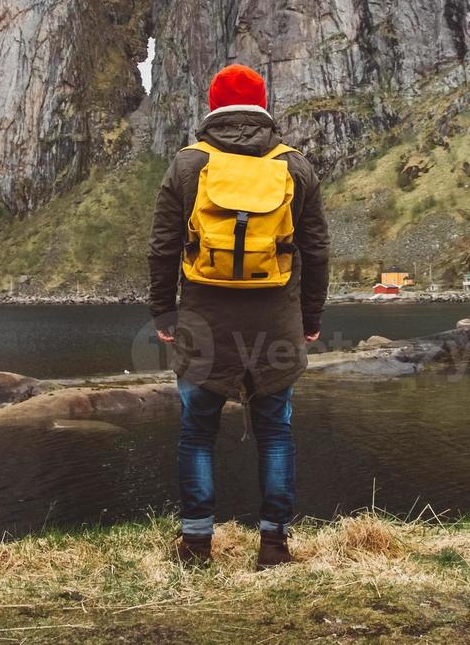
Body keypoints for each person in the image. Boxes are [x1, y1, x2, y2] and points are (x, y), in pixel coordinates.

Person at [148, 63, 331, 569]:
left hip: (205, 320)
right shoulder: (295, 165)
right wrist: (309, 317)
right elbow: (316, 252)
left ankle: (195, 545)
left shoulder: (188, 164)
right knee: (275, 434)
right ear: (261, 105)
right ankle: (273, 547)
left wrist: (165, 311)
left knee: (197, 433)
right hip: (276, 320)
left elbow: (163, 248)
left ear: (213, 107)